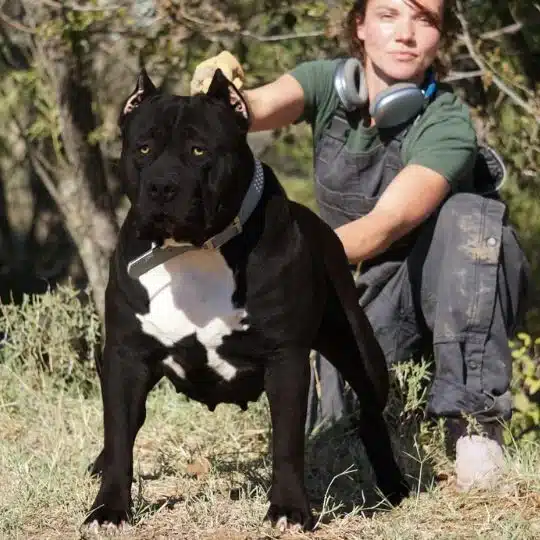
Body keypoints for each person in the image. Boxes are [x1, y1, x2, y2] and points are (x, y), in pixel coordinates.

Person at [190, 0, 530, 492]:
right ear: (361, 27)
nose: (406, 34)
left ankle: (474, 429)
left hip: (439, 301)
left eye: (425, 20)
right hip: (360, 299)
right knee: (336, 428)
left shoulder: (447, 123)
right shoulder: (326, 84)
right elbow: (258, 107)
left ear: (440, 37)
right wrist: (223, 102)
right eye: (389, 15)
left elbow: (384, 226)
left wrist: (271, 260)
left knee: (470, 213)